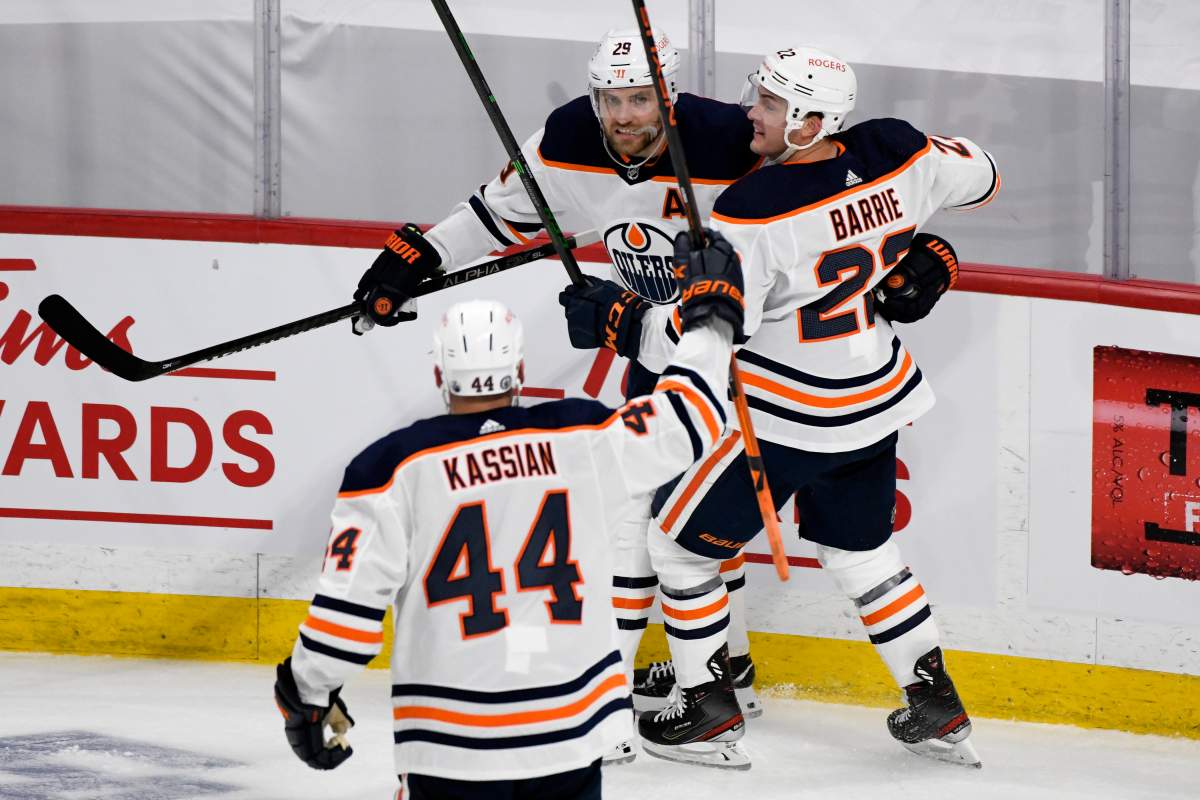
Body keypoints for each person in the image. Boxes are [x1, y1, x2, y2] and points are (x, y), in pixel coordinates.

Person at [559, 46, 999, 770]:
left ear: (810, 120)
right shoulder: (897, 150)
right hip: (873, 399)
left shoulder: (750, 213)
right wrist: (932, 248)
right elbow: (982, 174)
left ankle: (707, 710)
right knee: (862, 551)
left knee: (676, 545)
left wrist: (620, 321)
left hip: (788, 413)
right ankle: (937, 702)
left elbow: (703, 342)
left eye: (767, 104)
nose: (750, 113)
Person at [351, 26, 768, 743]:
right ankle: (725, 664)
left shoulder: (730, 141)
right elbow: (495, 212)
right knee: (677, 519)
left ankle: (634, 690)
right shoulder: (570, 136)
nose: (622, 116)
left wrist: (917, 251)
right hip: (653, 350)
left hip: (744, 354)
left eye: (639, 99)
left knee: (657, 520)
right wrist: (418, 257)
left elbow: (816, 205)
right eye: (611, 98)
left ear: (669, 94)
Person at [273, 230, 746, 798]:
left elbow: (345, 616)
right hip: (570, 734)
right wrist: (711, 314)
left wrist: (307, 694)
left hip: (452, 743)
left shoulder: (392, 469)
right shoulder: (583, 437)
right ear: (520, 372)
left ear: (439, 375)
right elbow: (691, 411)